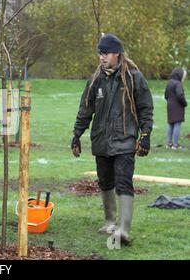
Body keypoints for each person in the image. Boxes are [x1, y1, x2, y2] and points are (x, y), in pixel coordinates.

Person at [71, 33, 154, 246]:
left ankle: (123, 230)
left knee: (124, 182)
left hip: (125, 140)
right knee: (105, 181)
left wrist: (145, 134)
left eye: (105, 53)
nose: (101, 57)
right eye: (100, 53)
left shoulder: (134, 77)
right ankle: (110, 222)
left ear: (117, 54)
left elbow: (146, 108)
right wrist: (77, 134)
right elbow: (85, 109)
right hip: (101, 140)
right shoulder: (95, 79)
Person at [165, 68, 187, 149]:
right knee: (177, 124)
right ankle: (175, 144)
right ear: (179, 75)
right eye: (183, 76)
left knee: (170, 124)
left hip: (169, 106)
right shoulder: (178, 84)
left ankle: (169, 143)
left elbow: (166, 95)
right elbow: (180, 95)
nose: (184, 78)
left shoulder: (169, 82)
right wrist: (184, 103)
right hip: (177, 107)